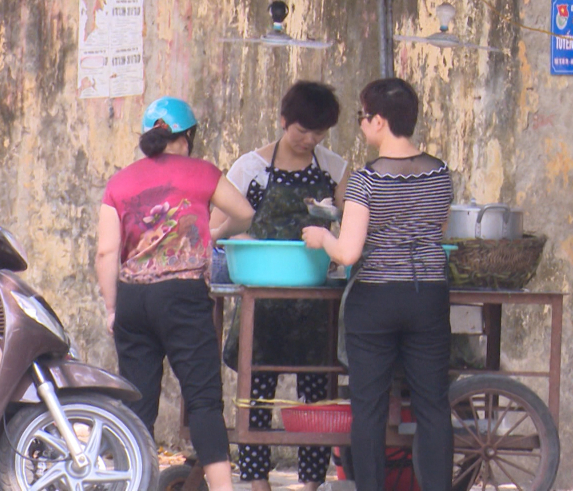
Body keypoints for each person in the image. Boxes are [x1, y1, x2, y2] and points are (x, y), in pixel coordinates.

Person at [302, 78, 454, 491]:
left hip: (375, 300)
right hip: (428, 295)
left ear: (380, 121)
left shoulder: (366, 180)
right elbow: (439, 229)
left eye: (362, 116)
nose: (361, 123)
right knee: (433, 406)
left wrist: (321, 237)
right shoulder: (440, 173)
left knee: (368, 408)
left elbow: (348, 252)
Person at [95, 96, 254, 491]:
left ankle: (133, 483)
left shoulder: (119, 182)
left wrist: (113, 307)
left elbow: (106, 253)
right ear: (186, 138)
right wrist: (214, 233)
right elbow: (245, 213)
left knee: (137, 403)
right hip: (183, 298)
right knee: (203, 400)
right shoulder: (203, 173)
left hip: (133, 300)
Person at [210, 80, 348, 491]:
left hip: (316, 303)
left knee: (317, 398)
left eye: (319, 133)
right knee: (256, 394)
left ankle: (311, 483)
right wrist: (246, 241)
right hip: (262, 301)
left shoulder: (335, 169)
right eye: (303, 130)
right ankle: (257, 482)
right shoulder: (250, 169)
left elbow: (349, 225)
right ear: (284, 120)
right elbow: (220, 228)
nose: (310, 140)